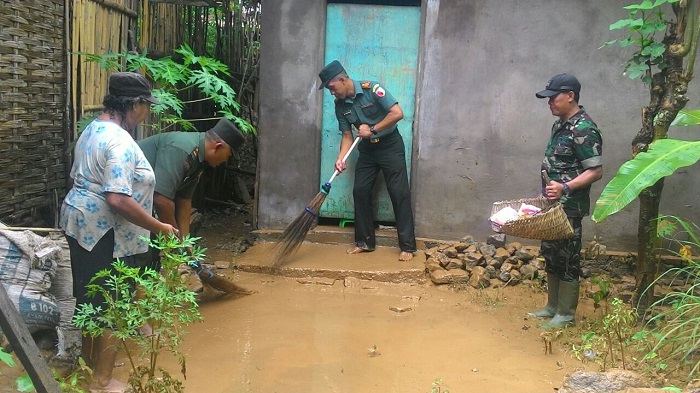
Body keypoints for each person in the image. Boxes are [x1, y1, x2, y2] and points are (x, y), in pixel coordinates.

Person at [60, 71, 177, 393]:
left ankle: (85, 366)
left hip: (80, 223)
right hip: (105, 231)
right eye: (146, 106)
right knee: (114, 303)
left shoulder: (92, 130)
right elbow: (117, 197)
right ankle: (102, 380)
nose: (147, 113)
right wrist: (159, 226)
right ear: (135, 104)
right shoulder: (119, 141)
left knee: (90, 298)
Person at [318, 60, 417, 261]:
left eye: (331, 87)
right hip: (367, 150)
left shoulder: (372, 89)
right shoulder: (340, 106)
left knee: (399, 193)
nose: (331, 92)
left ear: (343, 80)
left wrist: (372, 129)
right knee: (360, 191)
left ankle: (407, 246)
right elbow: (347, 136)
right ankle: (364, 242)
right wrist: (340, 158)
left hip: (390, 146)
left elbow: (397, 113)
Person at [527, 73, 603, 329]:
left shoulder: (584, 128)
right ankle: (552, 306)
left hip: (569, 207)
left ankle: (566, 314)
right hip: (551, 207)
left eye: (554, 97)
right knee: (551, 254)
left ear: (570, 96)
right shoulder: (560, 125)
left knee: (569, 258)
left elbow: (595, 171)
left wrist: (565, 187)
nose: (549, 103)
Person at [137, 117, 245, 242]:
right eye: (228, 155)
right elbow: (162, 200)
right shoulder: (182, 150)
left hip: (141, 201)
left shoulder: (200, 159)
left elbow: (184, 199)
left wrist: (185, 242)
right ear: (218, 146)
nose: (225, 160)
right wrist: (176, 241)